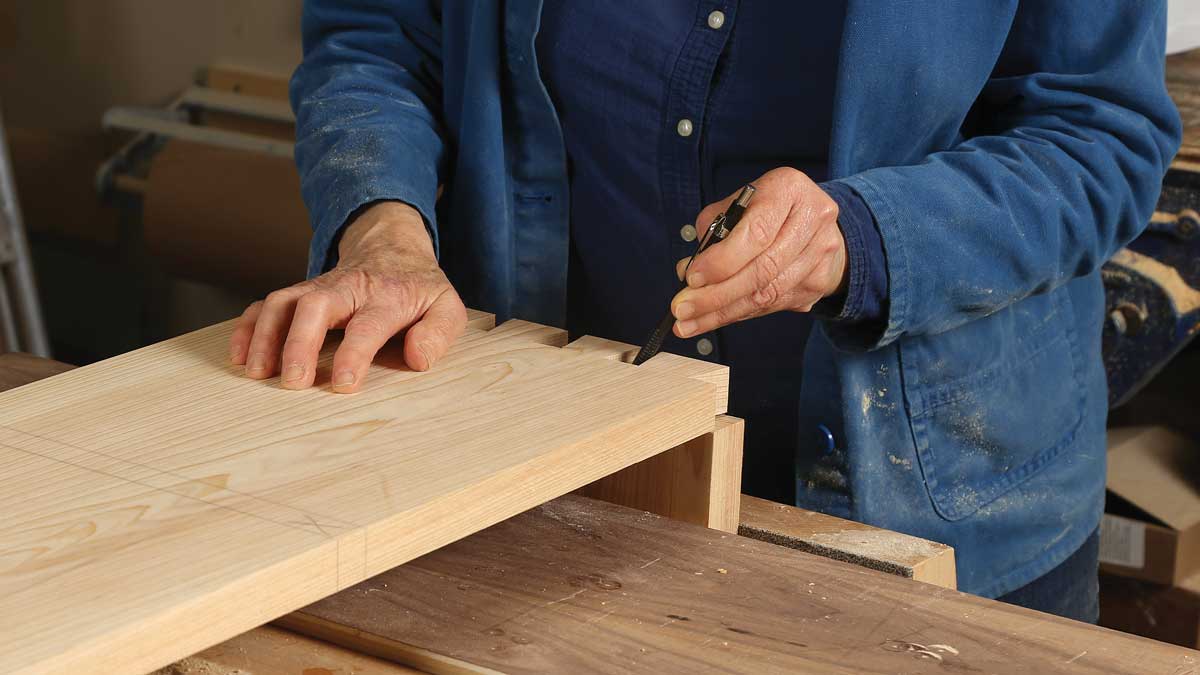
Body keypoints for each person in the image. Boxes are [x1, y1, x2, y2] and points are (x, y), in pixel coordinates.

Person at [228, 2, 1181, 622]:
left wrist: (867, 237)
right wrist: (383, 230)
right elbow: (376, 34)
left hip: (946, 510)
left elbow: (1098, 133)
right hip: (546, 482)